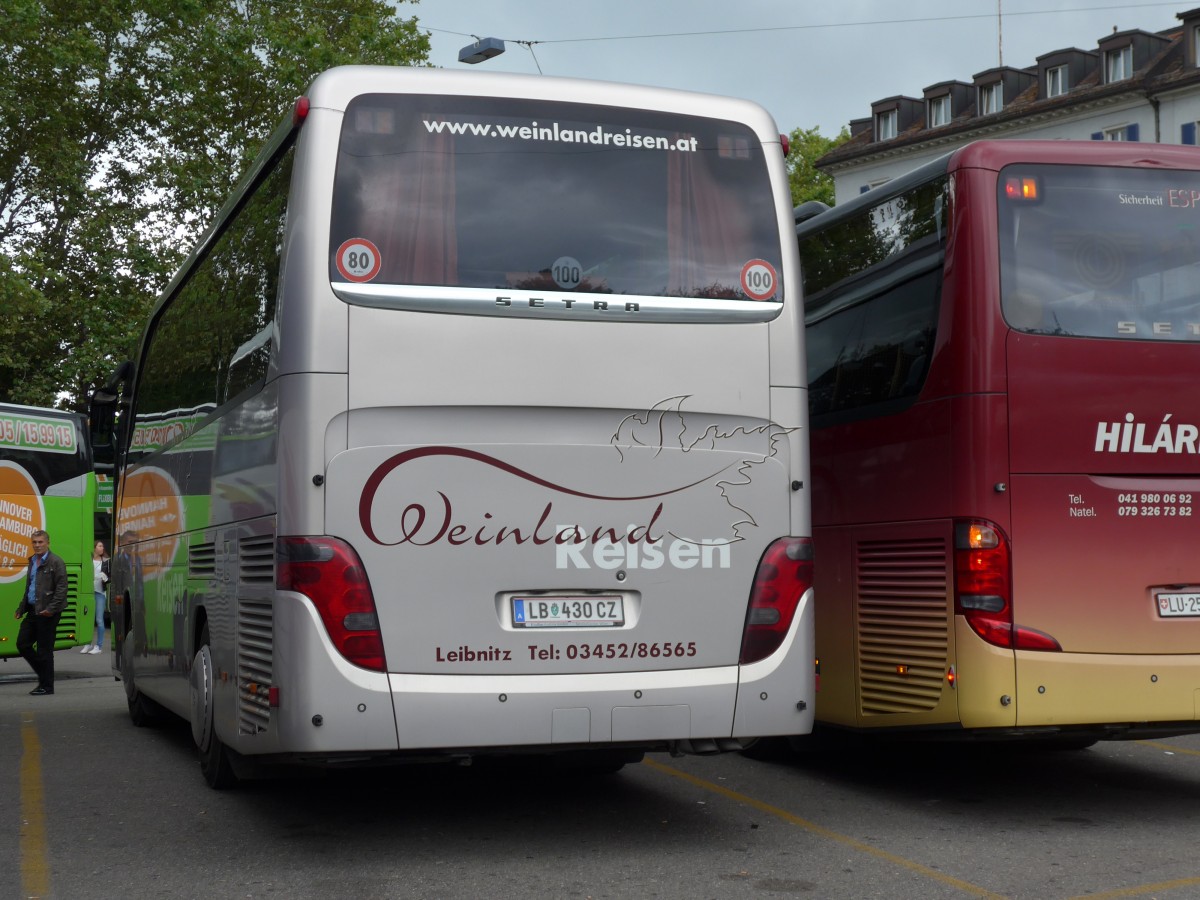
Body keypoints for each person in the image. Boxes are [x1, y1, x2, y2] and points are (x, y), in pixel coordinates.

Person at [14, 529, 68, 695]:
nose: (37, 545)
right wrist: (21, 608)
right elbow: (30, 588)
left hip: (47, 613)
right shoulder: (32, 561)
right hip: (32, 610)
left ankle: (47, 686)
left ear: (47, 543)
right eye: (34, 542)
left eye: (40, 542)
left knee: (45, 650)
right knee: (22, 644)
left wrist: (50, 610)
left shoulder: (56, 562)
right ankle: (45, 675)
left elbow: (62, 589)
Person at [82, 539, 110, 654]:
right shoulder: (88, 560)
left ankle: (98, 646)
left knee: (99, 619)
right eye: (99, 546)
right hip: (89, 592)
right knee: (88, 619)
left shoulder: (106, 561)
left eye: (102, 546)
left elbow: (110, 576)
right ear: (94, 548)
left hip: (100, 593)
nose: (102, 548)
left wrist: (106, 578)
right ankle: (87, 644)